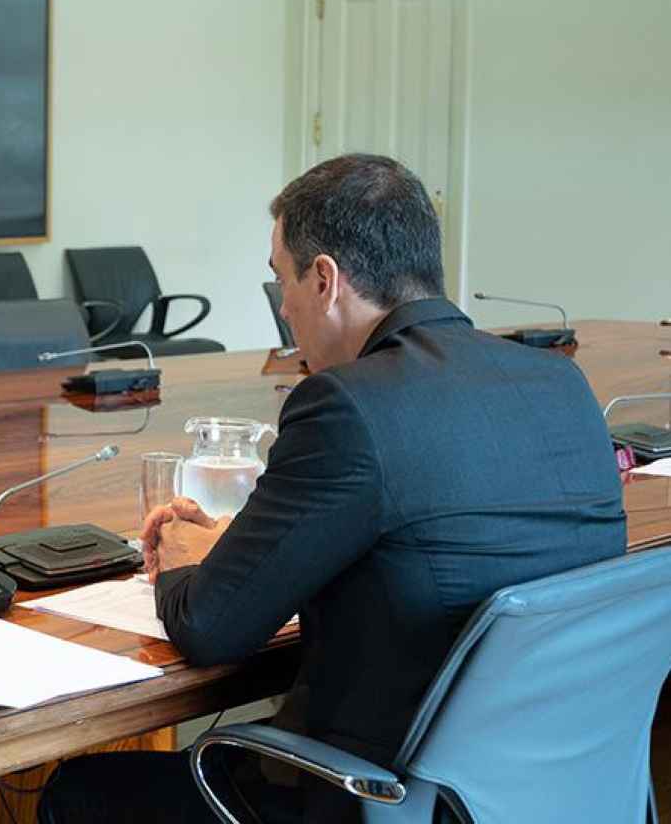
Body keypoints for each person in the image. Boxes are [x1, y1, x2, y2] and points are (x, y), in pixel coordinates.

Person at [38, 154, 626, 824]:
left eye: (279, 279)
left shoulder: (347, 405)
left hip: (380, 800)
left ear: (324, 280)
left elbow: (209, 627)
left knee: (80, 795)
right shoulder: (560, 386)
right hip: (550, 794)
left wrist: (181, 555)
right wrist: (246, 543)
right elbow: (428, 529)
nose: (283, 306)